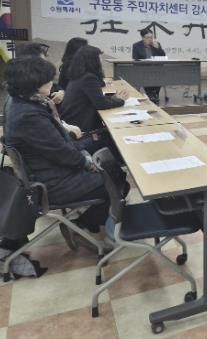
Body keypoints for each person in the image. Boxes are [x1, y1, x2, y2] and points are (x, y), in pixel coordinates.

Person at [3, 57, 126, 251]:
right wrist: (88, 163)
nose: (51, 83)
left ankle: (87, 224)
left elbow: (58, 146)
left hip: (45, 171)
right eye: (47, 80)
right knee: (118, 180)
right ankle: (83, 227)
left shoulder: (18, 102)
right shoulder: (28, 115)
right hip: (52, 183)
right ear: (33, 84)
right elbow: (64, 154)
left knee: (110, 166)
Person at [60, 45, 127, 133]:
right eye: (99, 58)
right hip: (80, 127)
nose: (101, 61)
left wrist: (112, 98)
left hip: (72, 121)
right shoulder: (88, 78)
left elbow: (96, 98)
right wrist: (121, 100)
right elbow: (101, 104)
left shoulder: (79, 75)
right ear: (92, 61)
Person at [132, 28, 165, 104]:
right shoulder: (136, 46)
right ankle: (152, 95)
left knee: (160, 74)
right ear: (143, 38)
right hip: (143, 70)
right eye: (148, 37)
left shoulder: (156, 44)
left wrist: (158, 48)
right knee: (147, 76)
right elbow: (135, 59)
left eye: (151, 37)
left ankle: (153, 94)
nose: (150, 39)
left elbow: (163, 56)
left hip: (156, 70)